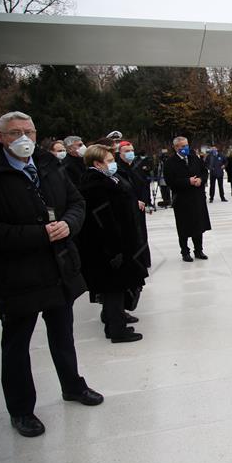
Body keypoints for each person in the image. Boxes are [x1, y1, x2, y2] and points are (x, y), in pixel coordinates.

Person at [0, 111, 103, 438]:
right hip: (17, 274)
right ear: (1, 136)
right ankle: (21, 409)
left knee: (63, 332)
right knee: (17, 344)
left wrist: (69, 224)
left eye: (29, 132)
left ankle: (72, 385)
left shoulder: (49, 164)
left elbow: (76, 202)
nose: (24, 138)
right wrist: (39, 235)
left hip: (58, 267)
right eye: (15, 132)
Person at [77, 144, 147, 343]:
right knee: (114, 288)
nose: (113, 164)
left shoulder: (104, 180)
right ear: (97, 163)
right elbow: (105, 219)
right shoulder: (96, 186)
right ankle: (117, 329)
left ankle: (112, 322)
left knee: (114, 288)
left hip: (115, 243)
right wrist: (115, 248)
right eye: (108, 161)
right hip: (109, 247)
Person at [163, 136, 211, 262]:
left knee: (198, 225)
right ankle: (185, 251)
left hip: (197, 197)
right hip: (182, 199)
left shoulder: (194, 158)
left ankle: (198, 250)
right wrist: (188, 181)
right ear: (175, 147)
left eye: (186, 145)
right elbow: (170, 181)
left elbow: (204, 171)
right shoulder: (170, 162)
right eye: (182, 146)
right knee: (183, 226)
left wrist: (201, 179)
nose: (185, 148)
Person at [116, 141, 152, 269]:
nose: (130, 153)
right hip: (129, 205)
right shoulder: (118, 168)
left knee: (142, 232)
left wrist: (144, 200)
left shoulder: (137, 165)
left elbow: (144, 184)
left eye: (131, 150)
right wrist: (134, 201)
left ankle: (144, 259)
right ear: (119, 153)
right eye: (126, 151)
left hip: (140, 205)